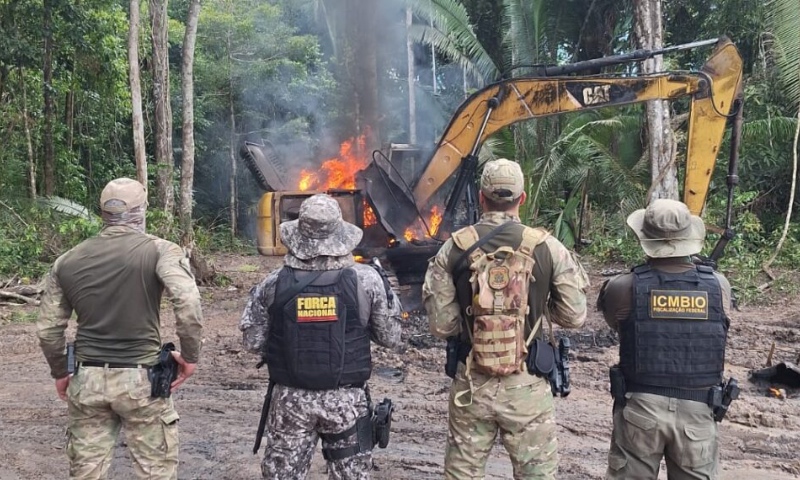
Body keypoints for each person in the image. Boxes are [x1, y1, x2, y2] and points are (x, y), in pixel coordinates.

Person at [422, 158, 589, 480]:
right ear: (522, 199)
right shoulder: (548, 248)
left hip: (471, 382)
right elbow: (574, 316)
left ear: (481, 197)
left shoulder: (453, 248)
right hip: (526, 386)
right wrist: (536, 309)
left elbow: (441, 325)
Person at [36, 177, 204, 480]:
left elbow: (48, 329)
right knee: (155, 472)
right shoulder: (160, 250)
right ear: (141, 211)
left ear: (103, 213)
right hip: (142, 381)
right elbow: (188, 302)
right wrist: (190, 356)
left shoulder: (67, 260)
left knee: (85, 473)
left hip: (87, 380)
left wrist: (61, 372)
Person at [240, 193, 403, 480]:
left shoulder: (273, 283)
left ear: (298, 231)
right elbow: (390, 337)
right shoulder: (367, 281)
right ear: (339, 232)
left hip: (290, 400)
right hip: (346, 402)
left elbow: (252, 342)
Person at [597, 198, 733, 480]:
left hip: (641, 410)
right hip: (698, 411)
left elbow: (615, 323)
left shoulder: (624, 286)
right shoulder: (719, 286)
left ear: (645, 237)